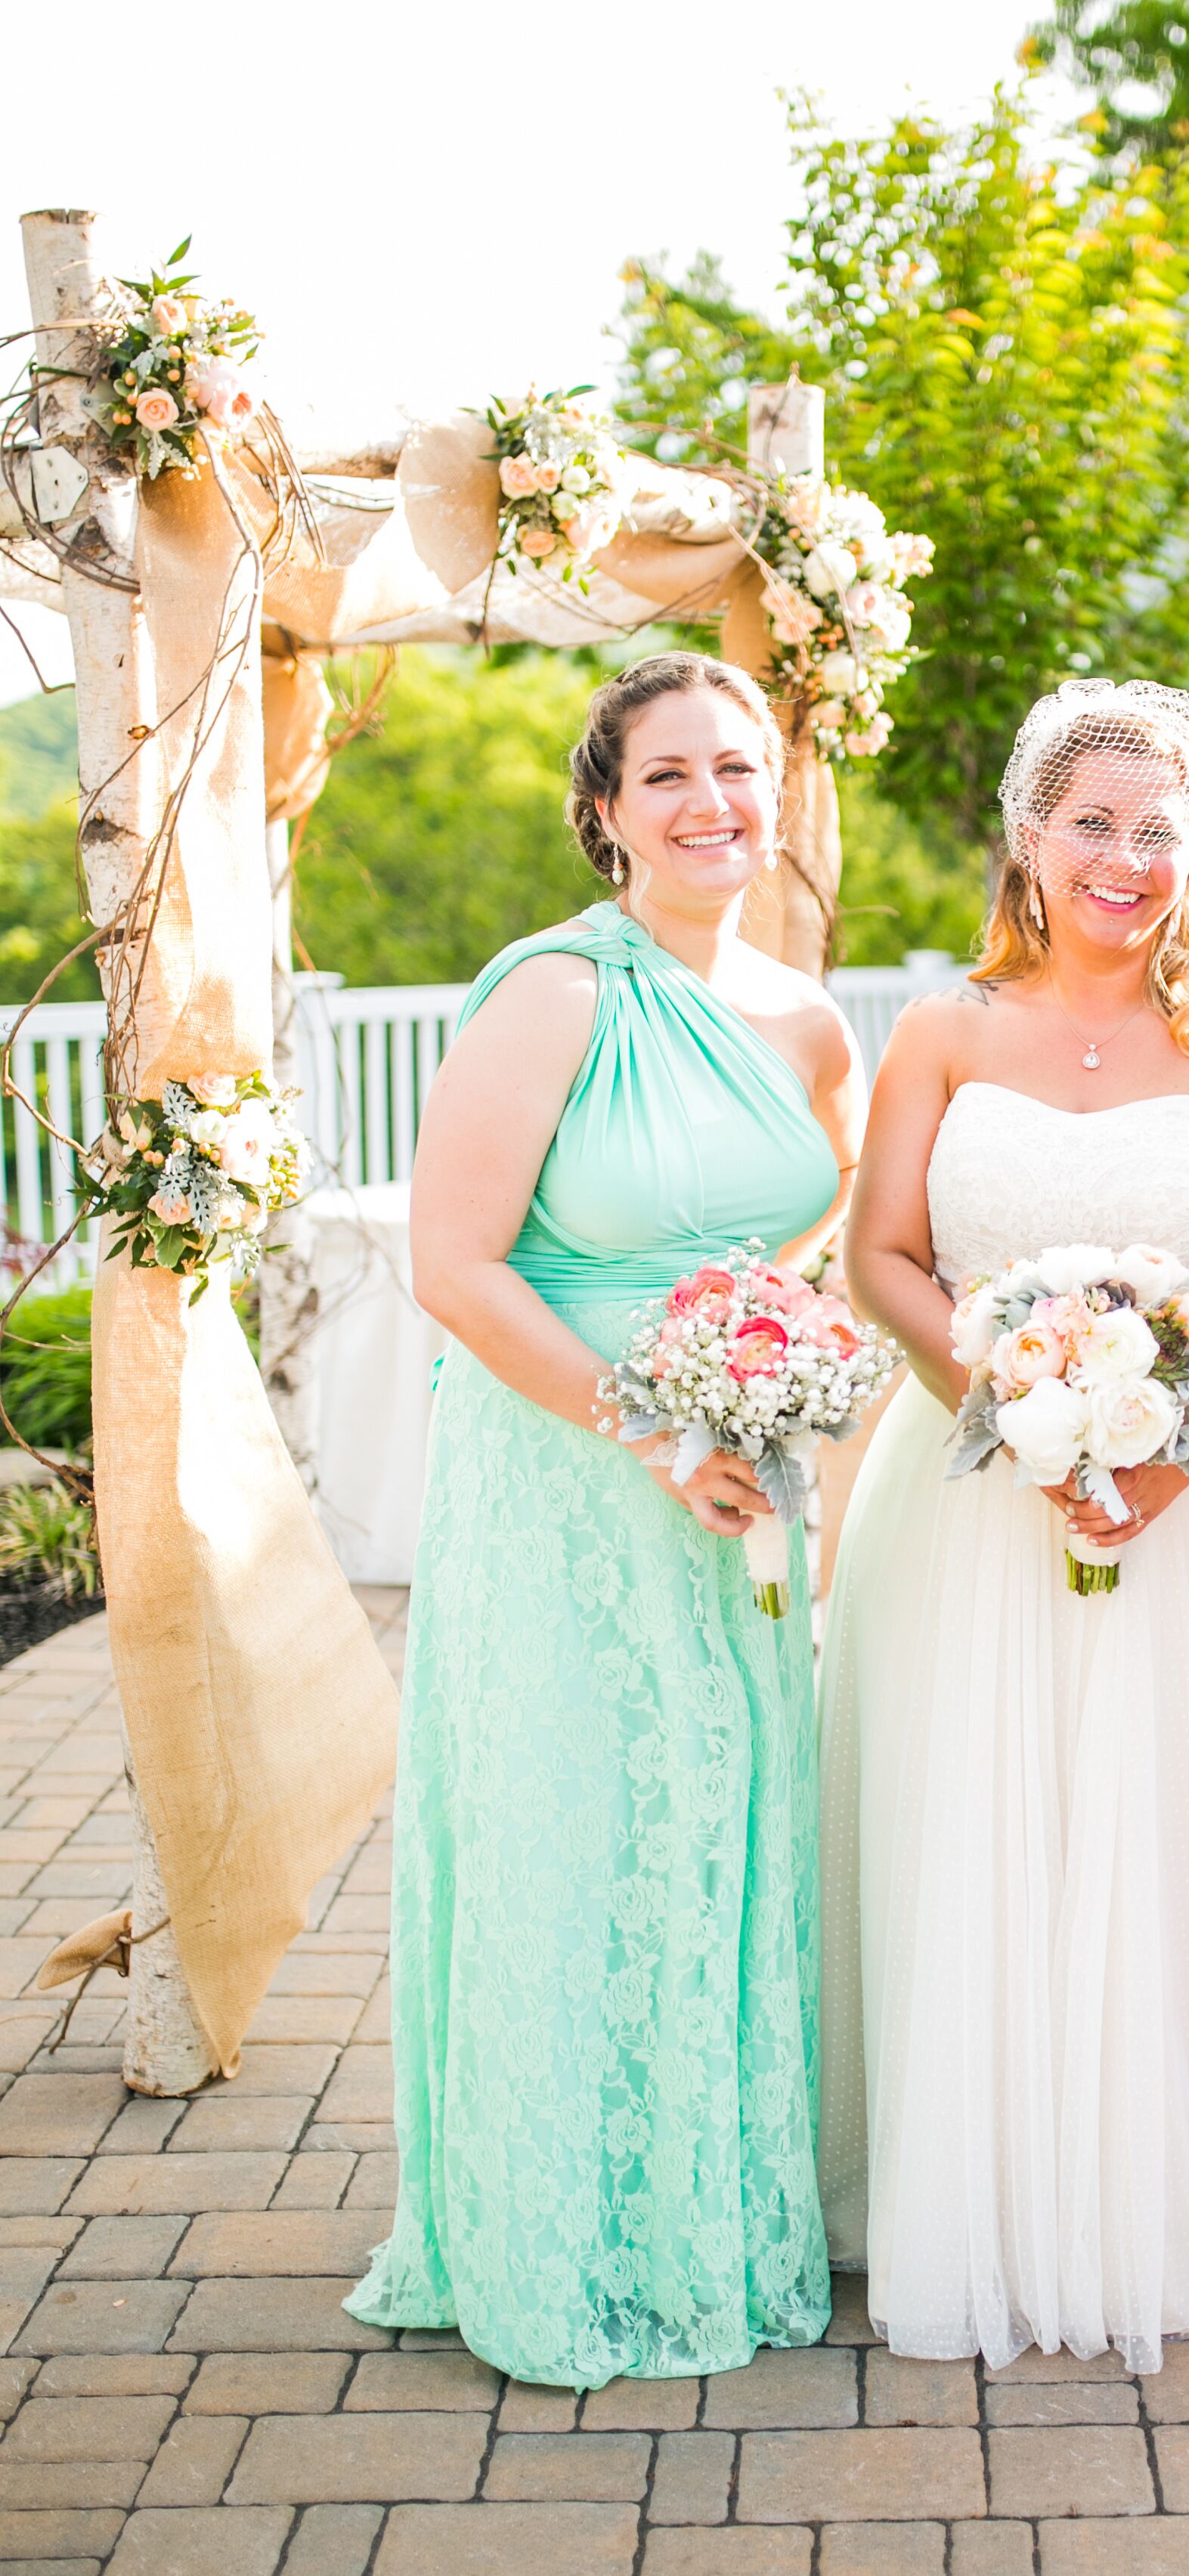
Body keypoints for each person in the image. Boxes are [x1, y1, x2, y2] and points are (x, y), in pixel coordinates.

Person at [817, 679, 1189, 2372]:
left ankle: (1158, 2185)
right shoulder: (941, 1034)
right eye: (1092, 824)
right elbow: (881, 1259)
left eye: (1160, 828)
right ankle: (972, 2185)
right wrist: (1017, 1400)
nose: (1126, 858)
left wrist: (1165, 1449)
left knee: (1164, 1823)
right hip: (973, 1493)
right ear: (1028, 839)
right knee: (970, 1813)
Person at [347, 653, 862, 2388]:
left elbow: (818, 1245)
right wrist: (646, 1420)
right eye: (671, 777)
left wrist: (774, 1382)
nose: (714, 802)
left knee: (721, 1833)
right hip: (569, 1472)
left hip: (737, 1482)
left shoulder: (808, 1020)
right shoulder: (556, 995)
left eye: (741, 768)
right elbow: (454, 1263)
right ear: (606, 811)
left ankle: (703, 2217)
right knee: (576, 1830)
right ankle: (553, 2240)